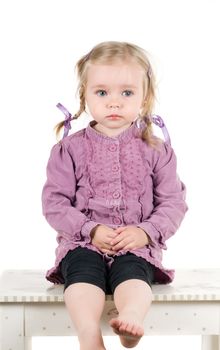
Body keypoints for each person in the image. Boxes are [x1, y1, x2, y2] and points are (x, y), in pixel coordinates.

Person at [42, 41, 187, 350]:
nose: (114, 103)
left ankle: (131, 318)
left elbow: (173, 203)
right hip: (82, 243)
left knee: (133, 275)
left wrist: (144, 233)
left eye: (127, 93)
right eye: (102, 93)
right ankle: (89, 336)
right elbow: (54, 203)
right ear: (85, 95)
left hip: (134, 246)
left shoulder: (156, 149)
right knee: (81, 277)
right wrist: (89, 230)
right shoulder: (70, 149)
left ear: (144, 97)